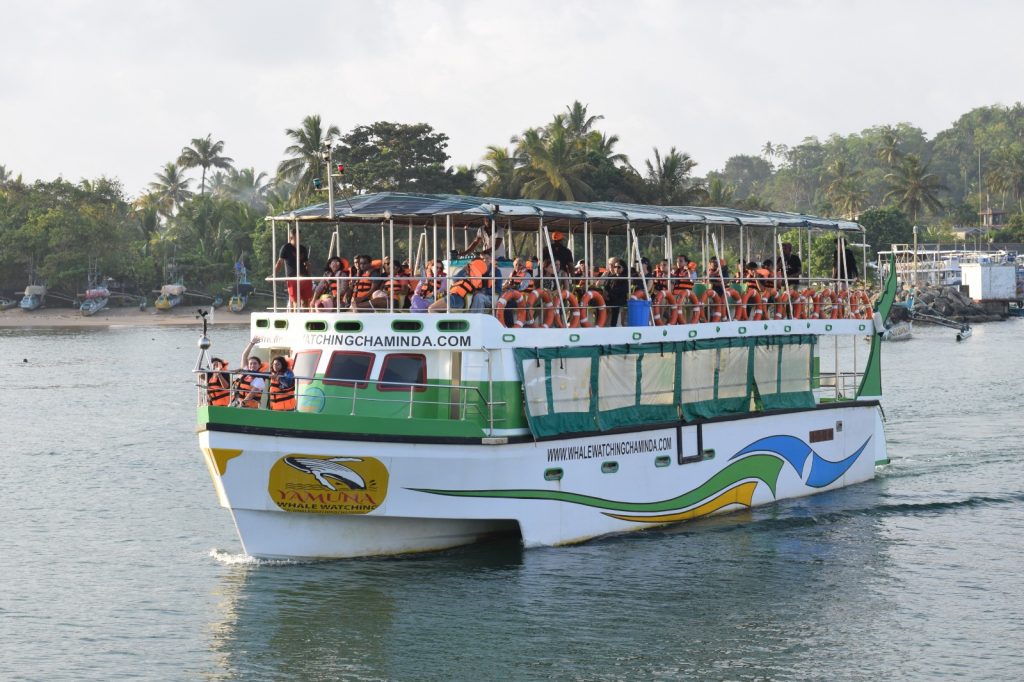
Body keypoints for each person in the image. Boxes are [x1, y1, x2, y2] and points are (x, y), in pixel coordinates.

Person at [274, 228, 314, 309]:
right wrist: (274, 274)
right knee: (295, 302)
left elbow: (307, 264)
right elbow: (280, 262)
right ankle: (296, 315)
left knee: (305, 302)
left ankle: (306, 316)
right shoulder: (286, 248)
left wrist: (310, 277)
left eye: (300, 236)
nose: (299, 238)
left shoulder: (303, 248)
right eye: (297, 236)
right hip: (292, 279)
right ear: (291, 237)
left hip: (304, 278)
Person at [600, 258, 629, 326]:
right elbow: (606, 287)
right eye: (615, 267)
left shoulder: (625, 278)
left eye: (618, 267)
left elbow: (622, 290)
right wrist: (605, 294)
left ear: (623, 268)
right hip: (610, 298)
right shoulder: (611, 277)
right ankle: (600, 324)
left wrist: (609, 294)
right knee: (600, 303)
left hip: (619, 298)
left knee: (615, 305)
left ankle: (613, 325)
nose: (616, 268)